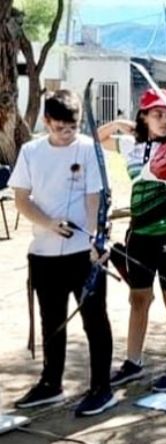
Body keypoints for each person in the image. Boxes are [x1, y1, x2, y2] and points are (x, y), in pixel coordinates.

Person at [10, 90, 116, 416]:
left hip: (83, 253)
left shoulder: (88, 149)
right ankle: (50, 384)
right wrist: (49, 223)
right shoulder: (30, 151)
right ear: (46, 122)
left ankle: (101, 388)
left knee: (94, 320)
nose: (67, 134)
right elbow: (22, 199)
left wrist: (97, 239)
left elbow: (94, 198)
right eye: (59, 129)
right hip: (43, 252)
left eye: (72, 128)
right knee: (51, 320)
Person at [99, 88, 166, 392]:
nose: (163, 120)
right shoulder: (131, 147)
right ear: (144, 117)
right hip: (139, 233)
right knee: (139, 299)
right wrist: (121, 125)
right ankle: (133, 362)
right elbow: (98, 138)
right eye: (156, 114)